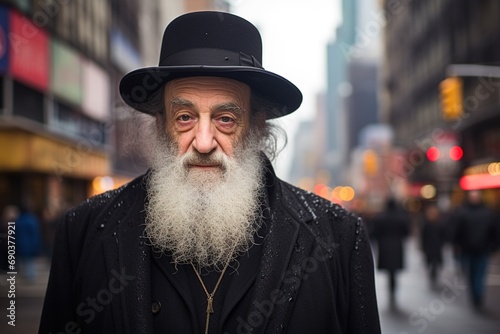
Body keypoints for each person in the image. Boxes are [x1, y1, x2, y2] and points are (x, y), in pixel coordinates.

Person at [39, 11, 380, 334]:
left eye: (225, 119)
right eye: (184, 117)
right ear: (161, 124)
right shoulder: (83, 231)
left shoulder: (339, 237)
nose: (203, 142)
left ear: (257, 127)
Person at [453, 190, 499, 309]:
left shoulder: (463, 213)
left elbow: (457, 232)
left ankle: (476, 295)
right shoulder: (486, 213)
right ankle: (477, 294)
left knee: (474, 273)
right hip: (478, 249)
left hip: (473, 249)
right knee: (478, 273)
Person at [371, 198, 410, 309]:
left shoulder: (380, 218)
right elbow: (406, 232)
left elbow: (374, 233)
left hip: (384, 247)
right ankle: (393, 290)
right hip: (397, 247)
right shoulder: (401, 217)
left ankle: (391, 290)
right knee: (394, 271)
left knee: (389, 272)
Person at [420, 203, 445, 288]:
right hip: (432, 247)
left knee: (434, 263)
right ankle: (433, 274)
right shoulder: (428, 224)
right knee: (432, 262)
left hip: (434, 246)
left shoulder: (437, 224)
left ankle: (433, 274)